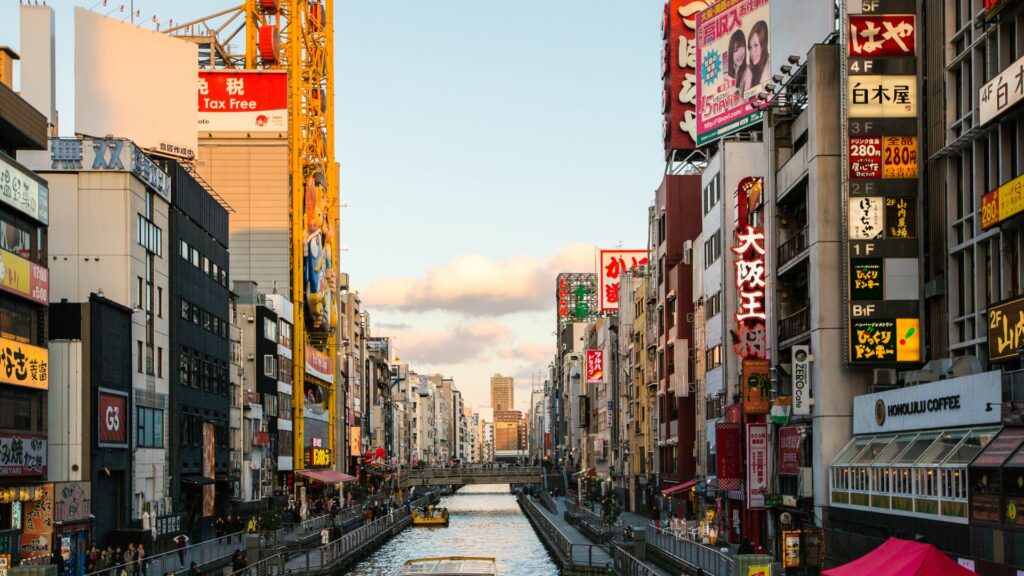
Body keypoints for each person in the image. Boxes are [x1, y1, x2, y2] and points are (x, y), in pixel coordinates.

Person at [744, 20, 770, 91]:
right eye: (750, 47)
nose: (752, 53)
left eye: (756, 45)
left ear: (763, 44)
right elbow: (746, 100)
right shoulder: (750, 71)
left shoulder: (770, 65)